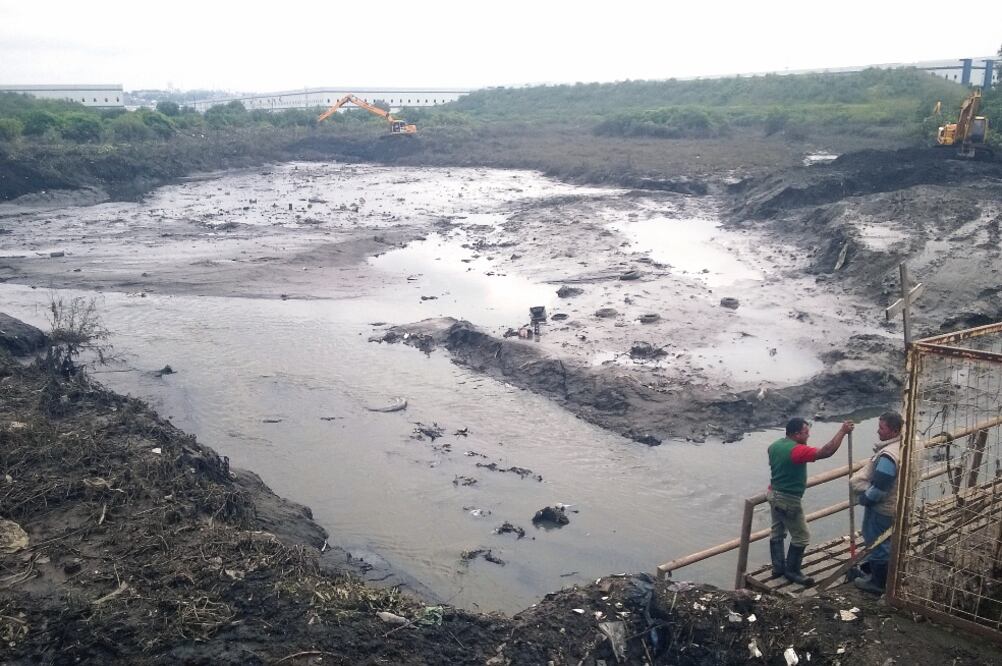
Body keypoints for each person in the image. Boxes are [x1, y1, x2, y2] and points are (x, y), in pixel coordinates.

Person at [768, 417, 855, 585]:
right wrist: (842, 432)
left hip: (773, 494)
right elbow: (827, 451)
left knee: (777, 531)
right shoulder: (797, 451)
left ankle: (778, 567)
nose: (808, 436)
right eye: (805, 433)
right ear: (795, 434)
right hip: (788, 499)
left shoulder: (775, 446)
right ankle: (792, 571)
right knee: (801, 536)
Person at [848, 411, 903, 594]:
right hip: (899, 504)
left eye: (881, 428)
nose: (878, 431)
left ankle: (877, 584)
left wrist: (864, 499)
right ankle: (881, 574)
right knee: (888, 541)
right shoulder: (908, 444)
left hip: (883, 509)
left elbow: (879, 489)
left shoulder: (889, 456)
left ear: (894, 430)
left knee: (877, 543)